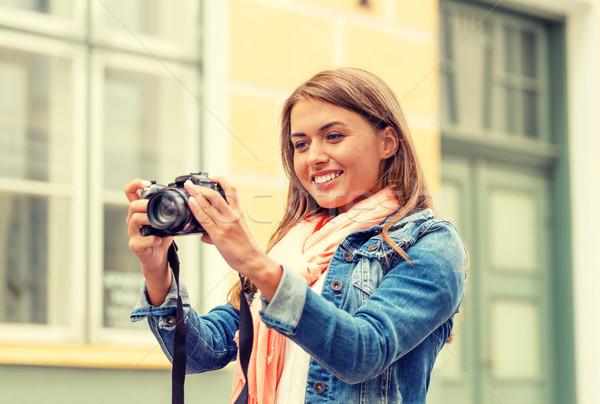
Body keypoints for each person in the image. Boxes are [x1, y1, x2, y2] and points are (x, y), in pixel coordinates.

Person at [126, 67, 467, 404]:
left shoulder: (430, 243)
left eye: (333, 136)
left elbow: (363, 352)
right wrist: (157, 271)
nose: (313, 157)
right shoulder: (293, 248)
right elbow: (204, 352)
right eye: (300, 144)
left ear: (387, 142)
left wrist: (252, 261)